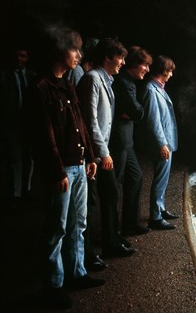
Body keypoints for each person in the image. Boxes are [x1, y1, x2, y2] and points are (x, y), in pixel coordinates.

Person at [26, 27, 103, 310]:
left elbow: (80, 126)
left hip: (80, 166)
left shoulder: (68, 85)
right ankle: (53, 285)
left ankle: (77, 273)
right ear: (59, 51)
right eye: (75, 50)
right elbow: (43, 137)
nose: (79, 56)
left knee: (78, 224)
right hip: (62, 171)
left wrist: (91, 158)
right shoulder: (40, 88)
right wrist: (57, 171)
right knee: (57, 228)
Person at [77, 37, 136, 264]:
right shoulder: (92, 79)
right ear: (108, 57)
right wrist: (104, 152)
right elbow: (90, 120)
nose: (122, 62)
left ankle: (112, 241)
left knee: (110, 193)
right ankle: (89, 254)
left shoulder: (106, 79)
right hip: (94, 153)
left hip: (101, 151)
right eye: (120, 57)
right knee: (90, 203)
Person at [110, 46, 152, 236]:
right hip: (118, 141)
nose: (147, 69)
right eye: (145, 65)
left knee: (135, 177)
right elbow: (138, 112)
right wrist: (134, 112)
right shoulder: (123, 83)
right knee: (113, 187)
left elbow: (135, 112)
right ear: (134, 65)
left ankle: (129, 223)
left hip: (127, 141)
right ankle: (113, 234)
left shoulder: (129, 83)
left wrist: (133, 112)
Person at [142, 55, 179, 230]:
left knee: (163, 179)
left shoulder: (159, 88)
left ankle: (161, 208)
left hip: (167, 141)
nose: (171, 75)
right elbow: (153, 121)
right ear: (163, 71)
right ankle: (155, 217)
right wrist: (162, 144)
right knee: (159, 179)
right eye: (170, 71)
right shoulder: (151, 89)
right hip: (162, 143)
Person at [0, 47, 37, 204]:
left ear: (27, 58)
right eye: (17, 56)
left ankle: (26, 190)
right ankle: (15, 194)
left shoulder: (32, 76)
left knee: (30, 159)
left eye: (22, 56)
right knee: (15, 159)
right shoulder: (4, 76)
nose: (19, 59)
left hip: (29, 124)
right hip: (11, 123)